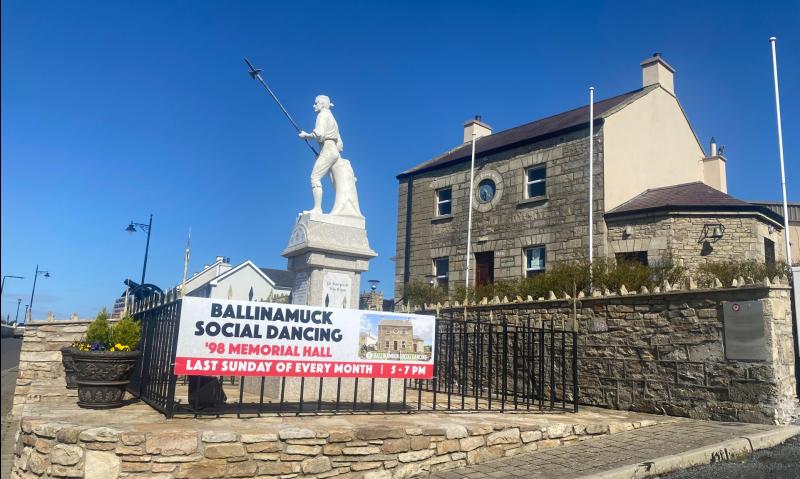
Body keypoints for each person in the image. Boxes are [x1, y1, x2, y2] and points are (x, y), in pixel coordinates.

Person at [299, 95, 343, 214]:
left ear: (322, 104)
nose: (314, 105)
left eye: (316, 103)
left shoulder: (322, 115)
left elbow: (320, 134)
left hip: (328, 150)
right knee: (335, 183)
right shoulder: (332, 118)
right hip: (333, 151)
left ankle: (317, 208)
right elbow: (340, 143)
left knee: (315, 177)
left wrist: (306, 136)